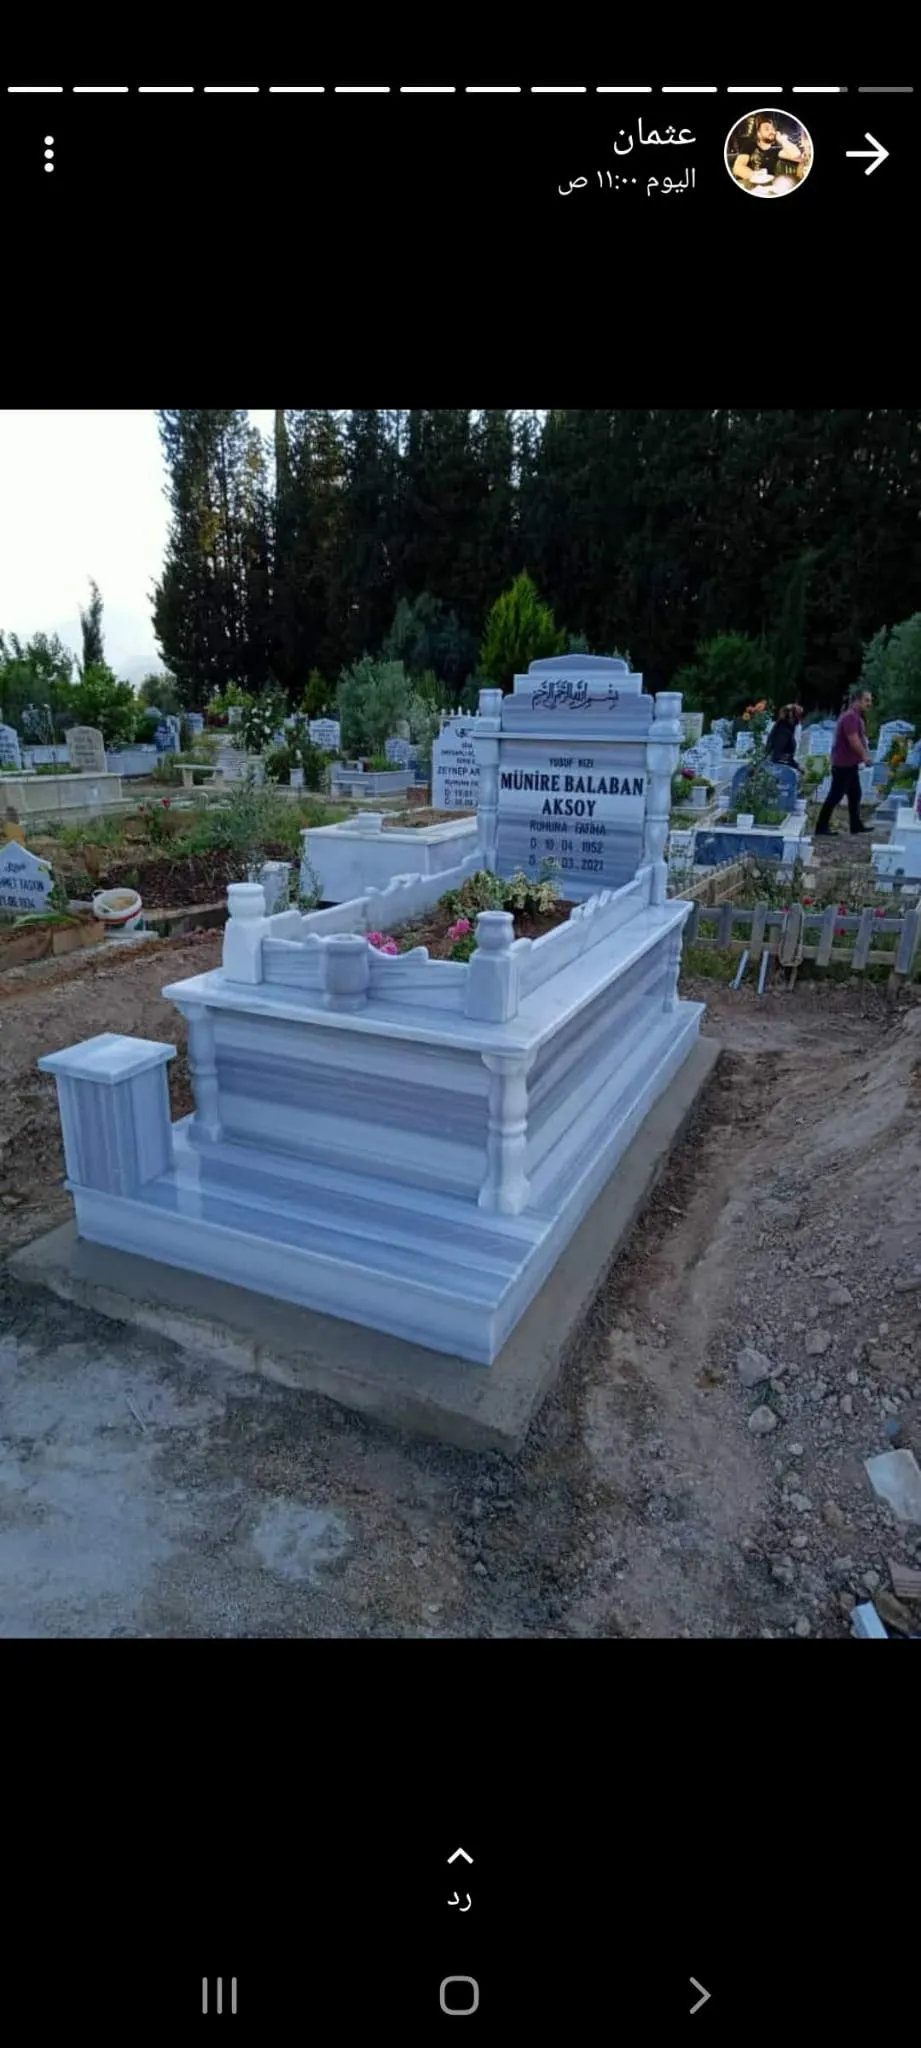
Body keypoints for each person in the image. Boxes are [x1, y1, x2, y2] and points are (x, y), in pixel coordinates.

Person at [814, 688, 873, 836]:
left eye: (870, 701)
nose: (869, 704)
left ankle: (855, 825)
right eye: (866, 700)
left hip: (850, 764)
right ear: (857, 700)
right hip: (843, 764)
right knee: (836, 795)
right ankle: (821, 827)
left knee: (855, 793)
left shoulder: (856, 717)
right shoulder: (850, 717)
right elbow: (853, 740)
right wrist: (865, 756)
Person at [731, 116, 805, 190]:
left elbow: (796, 155)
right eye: (767, 129)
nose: (771, 131)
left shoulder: (775, 149)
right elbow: (738, 168)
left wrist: (782, 140)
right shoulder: (750, 145)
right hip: (747, 186)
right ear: (758, 133)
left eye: (772, 129)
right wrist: (756, 176)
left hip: (768, 187)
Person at [765, 704, 804, 773]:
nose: (799, 721)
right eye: (799, 716)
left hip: (779, 767)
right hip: (778, 770)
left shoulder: (783, 729)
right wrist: (795, 765)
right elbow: (777, 756)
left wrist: (797, 766)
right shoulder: (783, 732)